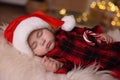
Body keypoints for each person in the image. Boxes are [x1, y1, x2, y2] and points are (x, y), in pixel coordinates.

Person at [4, 11, 120, 79]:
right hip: (102, 65)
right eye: (35, 45)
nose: (42, 41)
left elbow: (84, 32)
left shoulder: (65, 31)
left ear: (47, 28)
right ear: (33, 52)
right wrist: (56, 67)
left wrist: (99, 35)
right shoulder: (51, 57)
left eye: (40, 34)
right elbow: (68, 68)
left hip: (106, 49)